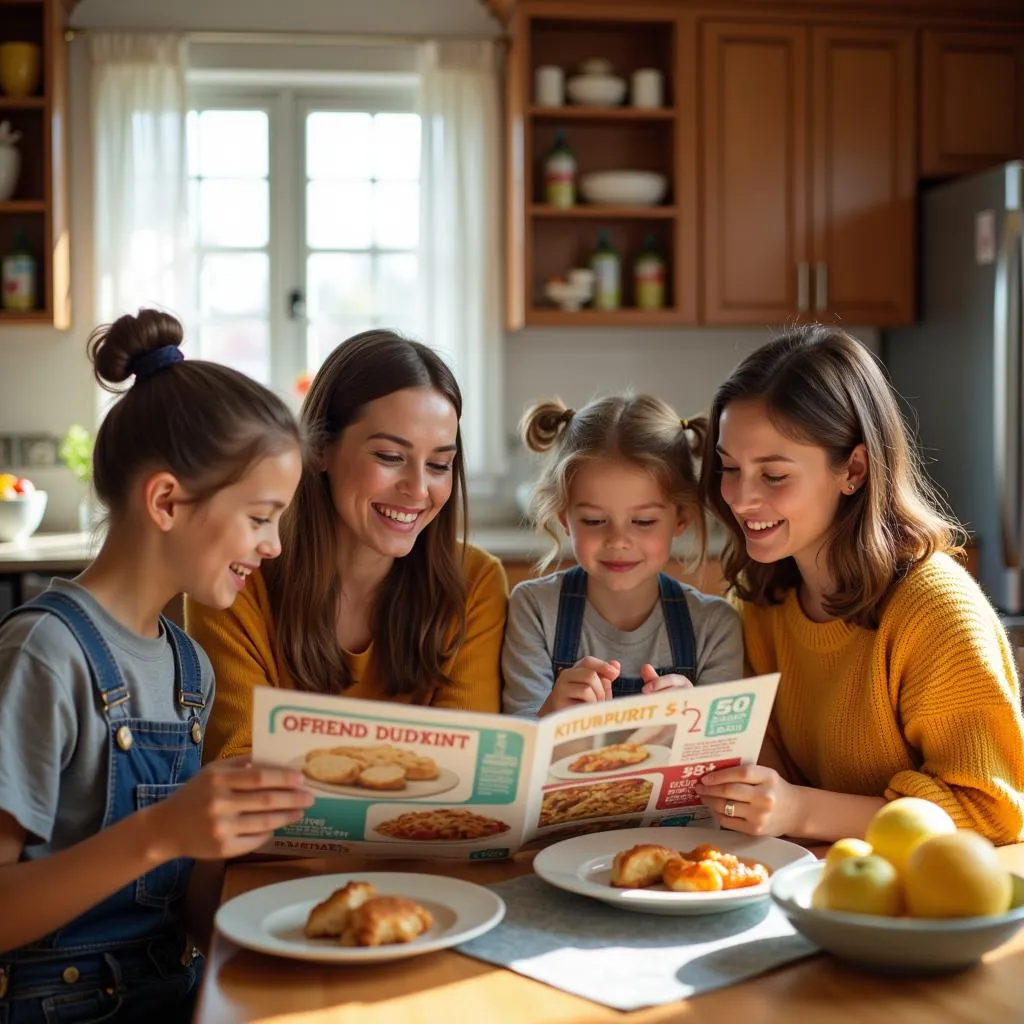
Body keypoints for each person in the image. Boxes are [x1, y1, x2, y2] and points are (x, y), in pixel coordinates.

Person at [0, 310, 313, 1023]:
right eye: (261, 517)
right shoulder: (46, 655)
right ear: (167, 501)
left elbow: (182, 916)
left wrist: (233, 841)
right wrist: (166, 830)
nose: (274, 548)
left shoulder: (189, 667)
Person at [695, 324, 1024, 845]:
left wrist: (800, 811)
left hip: (921, 905)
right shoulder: (757, 604)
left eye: (774, 476)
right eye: (729, 467)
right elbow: (767, 786)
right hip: (814, 888)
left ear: (853, 467)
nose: (738, 497)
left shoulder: (936, 609)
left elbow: (992, 814)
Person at [186, 330, 508, 760]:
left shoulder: (476, 582)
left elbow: (467, 772)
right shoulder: (234, 575)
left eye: (438, 465)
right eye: (390, 457)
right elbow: (239, 770)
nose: (417, 489)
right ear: (319, 449)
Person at [502, 392, 743, 719]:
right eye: (594, 521)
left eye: (643, 522)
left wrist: (696, 720)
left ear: (681, 519)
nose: (618, 540)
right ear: (564, 519)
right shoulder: (533, 610)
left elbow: (724, 752)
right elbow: (517, 747)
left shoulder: (716, 627)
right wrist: (549, 716)